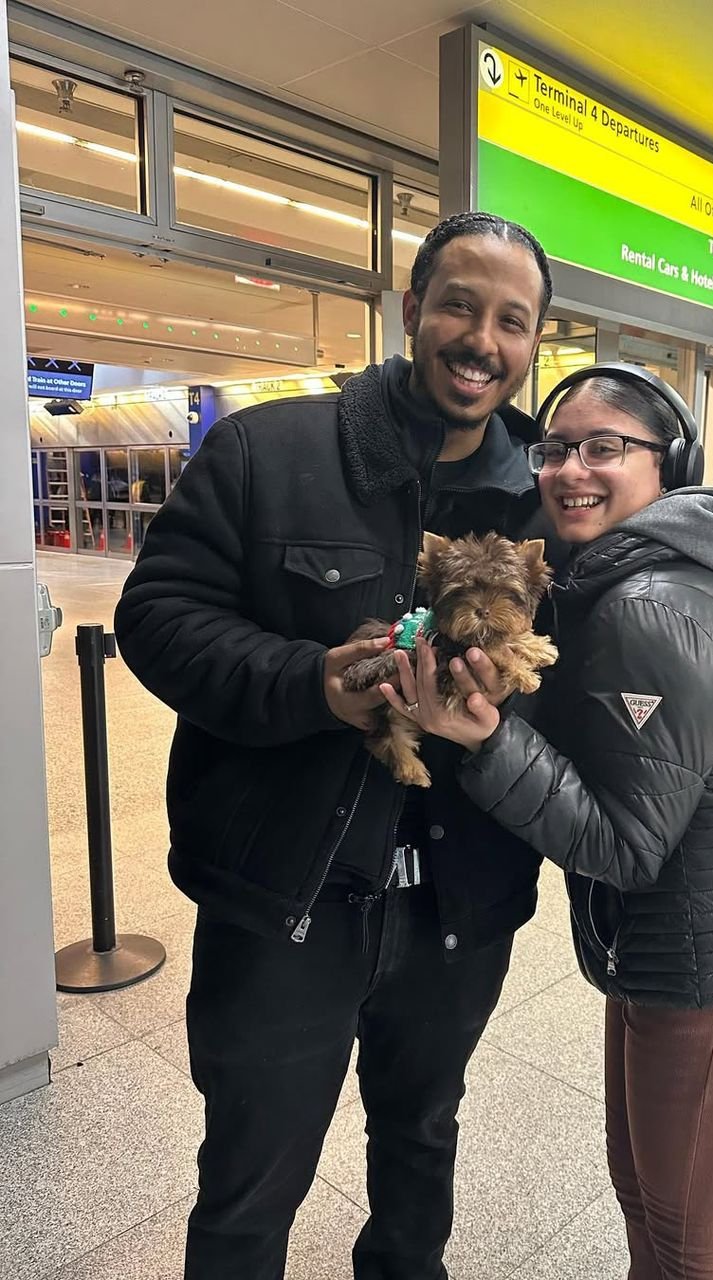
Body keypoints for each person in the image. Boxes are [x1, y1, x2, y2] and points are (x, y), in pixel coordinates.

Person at [113, 211, 555, 1280]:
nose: (480, 340)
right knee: (250, 1181)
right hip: (285, 900)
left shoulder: (546, 496)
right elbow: (158, 617)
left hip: (459, 908)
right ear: (410, 309)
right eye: (458, 305)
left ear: (534, 340)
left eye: (512, 320)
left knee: (421, 1146)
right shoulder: (269, 449)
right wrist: (311, 684)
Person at [382, 363, 713, 1280]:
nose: (569, 470)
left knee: (694, 1248)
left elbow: (627, 847)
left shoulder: (650, 606)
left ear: (670, 464)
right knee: (651, 1211)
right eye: (554, 449)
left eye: (604, 447)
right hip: (677, 952)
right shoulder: (623, 578)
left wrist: (487, 739)